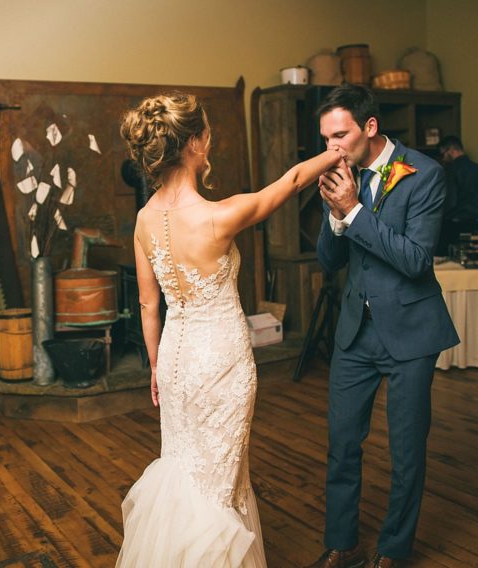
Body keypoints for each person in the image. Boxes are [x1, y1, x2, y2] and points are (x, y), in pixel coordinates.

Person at [115, 92, 345, 567]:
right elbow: (294, 179)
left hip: (176, 359)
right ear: (196, 142)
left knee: (186, 469)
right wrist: (338, 152)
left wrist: (156, 365)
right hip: (220, 361)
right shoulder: (217, 218)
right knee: (219, 480)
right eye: (207, 133)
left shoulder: (142, 220)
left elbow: (147, 303)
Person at [306, 84, 460, 568]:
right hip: (355, 332)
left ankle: (393, 550)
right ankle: (341, 543)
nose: (331, 147)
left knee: (406, 451)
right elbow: (329, 261)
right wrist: (335, 215)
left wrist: (353, 209)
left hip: (411, 332)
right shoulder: (338, 173)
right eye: (326, 138)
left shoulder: (425, 174)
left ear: (370, 127)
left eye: (340, 135)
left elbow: (415, 261)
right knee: (342, 443)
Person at [435, 135, 478, 256]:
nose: (443, 159)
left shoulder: (449, 171)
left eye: (443, 154)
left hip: (453, 228)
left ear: (451, 150)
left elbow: (450, 202)